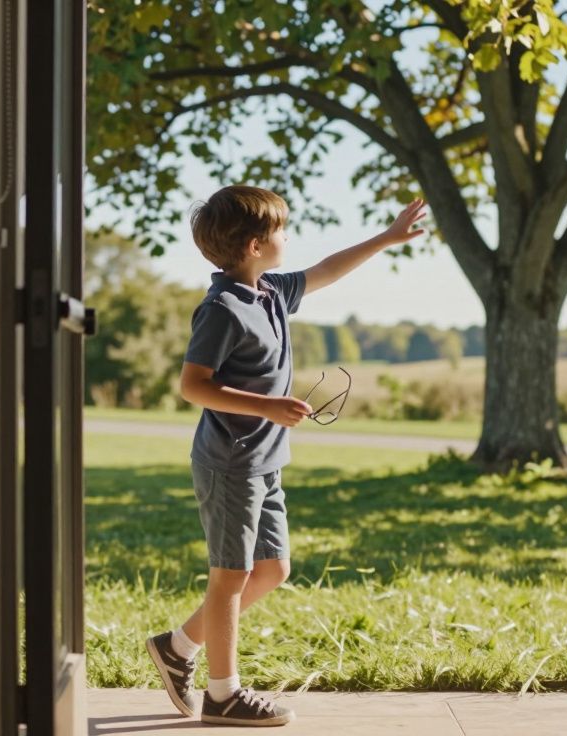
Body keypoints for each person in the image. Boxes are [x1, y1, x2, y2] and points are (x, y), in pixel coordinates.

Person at [145, 185, 428, 726]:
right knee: (230, 575)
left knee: (272, 569)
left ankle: (178, 647)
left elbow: (326, 270)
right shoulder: (223, 308)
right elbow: (193, 386)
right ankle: (223, 693)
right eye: (280, 230)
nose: (287, 238)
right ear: (254, 245)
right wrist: (268, 406)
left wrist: (388, 238)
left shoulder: (270, 291)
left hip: (265, 461)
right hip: (230, 462)